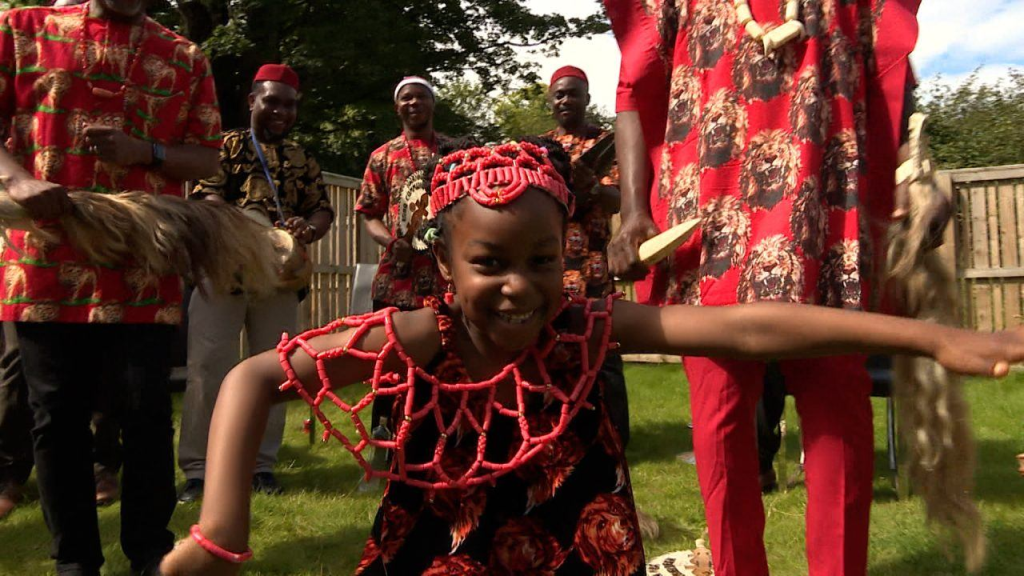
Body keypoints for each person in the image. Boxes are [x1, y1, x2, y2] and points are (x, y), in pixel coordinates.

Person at [157, 141, 1024, 576]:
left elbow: (751, 329)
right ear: (445, 267)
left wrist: (929, 337)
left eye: (541, 259)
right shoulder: (416, 337)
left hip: (580, 554)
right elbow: (253, 376)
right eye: (489, 263)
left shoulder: (588, 327)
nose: (519, 286)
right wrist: (221, 526)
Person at [603, 1, 926, 574]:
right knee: (722, 419)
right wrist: (632, 212)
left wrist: (915, 174)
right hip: (710, 215)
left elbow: (888, 69)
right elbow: (635, 84)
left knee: (838, 417)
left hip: (827, 217)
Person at [0, 1, 222, 574]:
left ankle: (150, 555)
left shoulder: (184, 56)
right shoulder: (22, 29)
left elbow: (206, 158)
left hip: (143, 266)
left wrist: (146, 152)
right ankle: (75, 561)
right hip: (44, 263)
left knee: (145, 412)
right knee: (55, 417)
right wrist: (16, 178)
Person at [177, 64, 333, 502]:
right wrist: (250, 227)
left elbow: (322, 208)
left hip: (279, 278)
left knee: (276, 370)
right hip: (224, 271)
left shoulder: (303, 157)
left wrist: (308, 228)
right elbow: (207, 197)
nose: (282, 111)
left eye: (290, 105)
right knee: (208, 367)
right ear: (252, 101)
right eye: (272, 102)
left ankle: (261, 466)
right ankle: (199, 470)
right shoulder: (225, 145)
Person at [539, 65, 633, 449]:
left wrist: (591, 186)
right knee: (551, 353)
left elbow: (619, 200)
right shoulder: (540, 147)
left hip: (593, 267)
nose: (566, 100)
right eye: (559, 94)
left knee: (603, 350)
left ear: (587, 98)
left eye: (573, 93)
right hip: (549, 267)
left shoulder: (607, 143)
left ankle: (618, 439)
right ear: (551, 100)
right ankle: (558, 434)